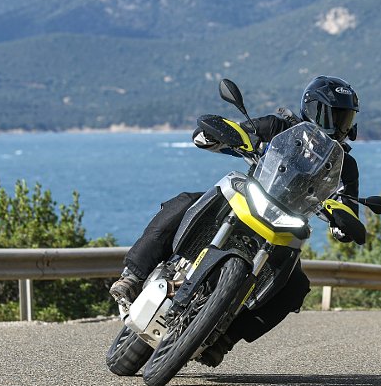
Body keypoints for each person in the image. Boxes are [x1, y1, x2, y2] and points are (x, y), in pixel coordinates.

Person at [110, 75, 361, 367]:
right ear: (311, 108)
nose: (338, 123)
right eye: (331, 113)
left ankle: (226, 339)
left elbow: (349, 203)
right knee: (186, 202)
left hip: (285, 223)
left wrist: (342, 223)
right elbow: (240, 132)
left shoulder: (346, 165)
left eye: (345, 117)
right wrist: (217, 135)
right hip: (249, 198)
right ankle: (133, 276)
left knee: (296, 287)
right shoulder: (278, 126)